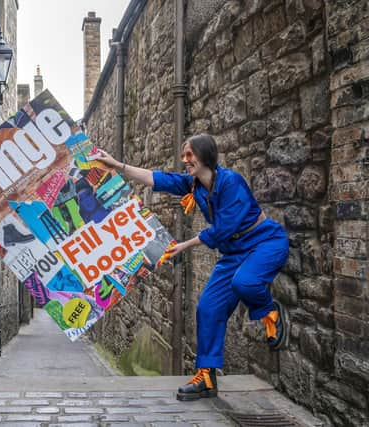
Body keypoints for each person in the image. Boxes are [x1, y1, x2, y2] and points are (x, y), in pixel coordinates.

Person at [95, 134, 289, 402]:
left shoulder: (231, 182)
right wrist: (117, 165)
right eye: (184, 155)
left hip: (264, 243)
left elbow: (224, 229)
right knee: (208, 307)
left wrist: (183, 245)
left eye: (189, 155)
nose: (184, 160)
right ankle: (206, 377)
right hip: (234, 253)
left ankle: (270, 313)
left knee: (244, 283)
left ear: (205, 156)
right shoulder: (194, 185)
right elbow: (156, 178)